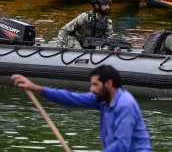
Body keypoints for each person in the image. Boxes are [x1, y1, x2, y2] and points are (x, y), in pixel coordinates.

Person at [11, 64, 151, 152]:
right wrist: (36, 88)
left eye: (95, 85)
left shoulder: (125, 105)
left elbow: (122, 145)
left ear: (108, 83)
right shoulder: (102, 99)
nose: (92, 89)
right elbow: (71, 98)